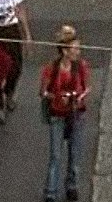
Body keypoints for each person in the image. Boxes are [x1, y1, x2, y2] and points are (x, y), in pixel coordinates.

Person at [40, 24, 92, 202]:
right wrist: (56, 97)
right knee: (55, 155)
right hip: (57, 114)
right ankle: (51, 192)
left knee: (74, 154)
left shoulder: (82, 66)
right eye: (75, 48)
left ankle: (72, 185)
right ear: (64, 51)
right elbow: (43, 92)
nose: (78, 52)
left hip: (76, 114)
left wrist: (79, 97)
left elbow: (87, 88)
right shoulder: (51, 69)